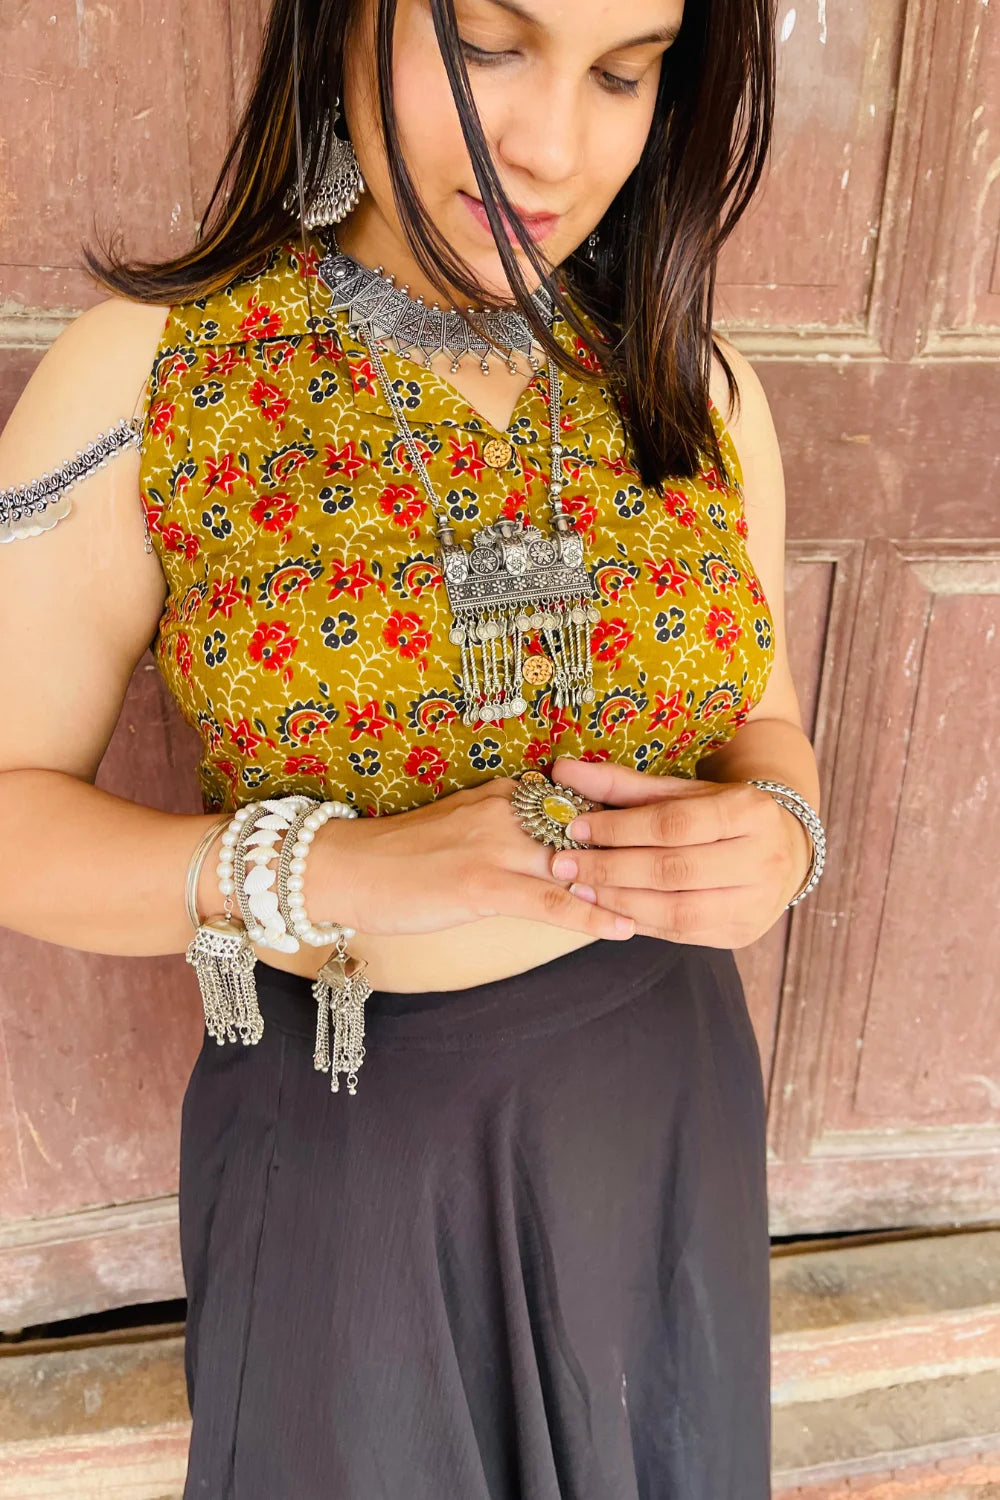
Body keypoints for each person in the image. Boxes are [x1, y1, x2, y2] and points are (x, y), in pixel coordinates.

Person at [0, 0, 825, 1494]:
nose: (549, 145)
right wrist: (335, 870)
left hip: (663, 1101)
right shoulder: (158, 374)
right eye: (489, 46)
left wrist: (780, 827)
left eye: (623, 73)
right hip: (355, 1151)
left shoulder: (693, 383)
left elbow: (758, 717)